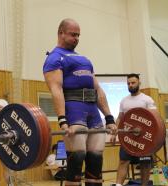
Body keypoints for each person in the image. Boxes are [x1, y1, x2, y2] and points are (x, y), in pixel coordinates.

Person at [43, 18, 117, 186]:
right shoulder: (55, 58)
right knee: (77, 158)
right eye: (73, 34)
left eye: (78, 35)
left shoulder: (85, 59)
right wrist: (62, 120)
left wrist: (110, 118)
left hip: (93, 113)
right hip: (73, 110)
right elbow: (56, 90)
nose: (76, 38)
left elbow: (97, 89)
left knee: (96, 159)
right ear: (61, 33)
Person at [111, 73, 157, 186]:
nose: (130, 85)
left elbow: (155, 117)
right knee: (123, 161)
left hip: (143, 139)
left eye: (133, 83)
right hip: (128, 138)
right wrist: (114, 132)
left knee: (145, 163)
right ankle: (118, 185)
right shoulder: (124, 101)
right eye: (128, 83)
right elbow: (120, 117)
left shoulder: (147, 99)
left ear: (139, 83)